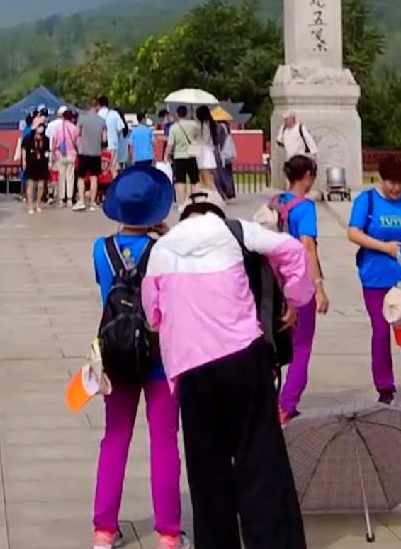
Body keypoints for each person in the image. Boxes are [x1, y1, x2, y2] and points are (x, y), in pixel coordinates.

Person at [147, 199, 312, 549]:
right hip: (242, 357)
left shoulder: (162, 248)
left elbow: (153, 316)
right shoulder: (234, 230)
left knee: (207, 468)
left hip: (191, 367)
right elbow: (293, 250)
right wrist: (296, 298)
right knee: (260, 456)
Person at [90, 164, 185, 549]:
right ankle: (167, 533)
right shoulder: (166, 249)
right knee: (164, 442)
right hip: (161, 355)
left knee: (115, 439)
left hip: (115, 354)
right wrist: (167, 236)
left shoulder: (101, 249)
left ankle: (104, 530)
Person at [342, 154, 401, 405]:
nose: (396, 188)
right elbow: (354, 233)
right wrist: (384, 247)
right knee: (380, 332)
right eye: (391, 182)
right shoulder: (368, 201)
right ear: (382, 179)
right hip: (375, 277)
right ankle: (384, 386)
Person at [266, 155, 329, 423]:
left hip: (272, 281)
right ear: (308, 176)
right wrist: (319, 286)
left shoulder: (275, 202)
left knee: (274, 344)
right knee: (301, 347)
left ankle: (267, 399)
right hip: (298, 282)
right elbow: (307, 246)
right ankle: (287, 404)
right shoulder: (305, 208)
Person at [74, 99, 111, 212]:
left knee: (81, 177)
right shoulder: (102, 121)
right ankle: (92, 203)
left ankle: (81, 201)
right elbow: (104, 139)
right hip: (96, 152)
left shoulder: (82, 118)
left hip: (83, 152)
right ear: (97, 107)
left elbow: (76, 134)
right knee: (94, 178)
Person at [166, 106, 204, 195]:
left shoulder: (174, 127)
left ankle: (182, 203)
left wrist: (165, 156)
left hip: (179, 157)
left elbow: (170, 144)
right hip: (191, 155)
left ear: (177, 114)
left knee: (180, 181)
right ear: (186, 113)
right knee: (195, 180)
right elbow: (199, 137)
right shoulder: (194, 125)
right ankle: (196, 200)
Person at [21, 110, 52, 211]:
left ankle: (38, 203)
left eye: (42, 126)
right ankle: (30, 205)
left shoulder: (46, 139)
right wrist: (24, 161)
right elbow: (24, 149)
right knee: (30, 184)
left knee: (41, 185)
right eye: (39, 126)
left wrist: (49, 161)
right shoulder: (28, 138)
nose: (40, 128)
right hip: (31, 162)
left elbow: (47, 151)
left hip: (42, 163)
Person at [51, 107, 82, 205]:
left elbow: (54, 142)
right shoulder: (74, 128)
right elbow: (77, 142)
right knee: (70, 177)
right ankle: (69, 199)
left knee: (61, 177)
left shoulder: (58, 128)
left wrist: (52, 154)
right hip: (72, 155)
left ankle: (61, 199)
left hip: (60, 154)